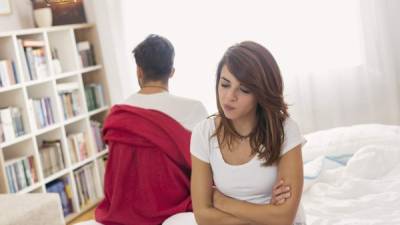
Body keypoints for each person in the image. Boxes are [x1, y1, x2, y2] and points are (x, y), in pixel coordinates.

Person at [94, 34, 209, 225]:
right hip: (176, 205)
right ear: (172, 71)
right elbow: (207, 166)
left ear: (139, 71)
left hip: (123, 209)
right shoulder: (194, 109)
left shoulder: (117, 114)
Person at [187, 41, 306, 225]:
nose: (229, 97)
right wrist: (267, 215)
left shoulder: (285, 130)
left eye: (244, 89)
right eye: (225, 84)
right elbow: (203, 215)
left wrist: (222, 201)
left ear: (261, 93)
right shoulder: (204, 133)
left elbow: (284, 217)